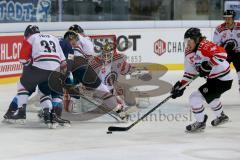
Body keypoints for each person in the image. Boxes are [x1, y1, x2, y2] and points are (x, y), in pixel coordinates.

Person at [3, 25, 67, 127]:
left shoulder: (31, 38)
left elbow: (23, 59)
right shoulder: (53, 38)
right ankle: (52, 115)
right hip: (55, 69)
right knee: (48, 91)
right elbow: (63, 62)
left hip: (38, 69)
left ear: (28, 34)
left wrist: (29, 65)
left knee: (23, 86)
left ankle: (19, 112)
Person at [171, 28, 233, 132]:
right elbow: (190, 72)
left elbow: (223, 54)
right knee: (211, 97)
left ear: (196, 40)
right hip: (214, 79)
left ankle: (200, 122)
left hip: (222, 79)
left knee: (194, 98)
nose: (187, 44)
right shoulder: (188, 52)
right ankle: (221, 116)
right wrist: (181, 86)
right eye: (186, 41)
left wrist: (209, 65)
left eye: (189, 41)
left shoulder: (204, 46)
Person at [213, 10, 240, 92]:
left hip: (238, 53)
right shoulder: (219, 29)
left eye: (229, 19)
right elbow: (216, 44)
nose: (227, 21)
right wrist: (224, 47)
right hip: (225, 54)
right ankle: (214, 88)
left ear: (233, 18)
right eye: (225, 18)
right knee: (219, 70)